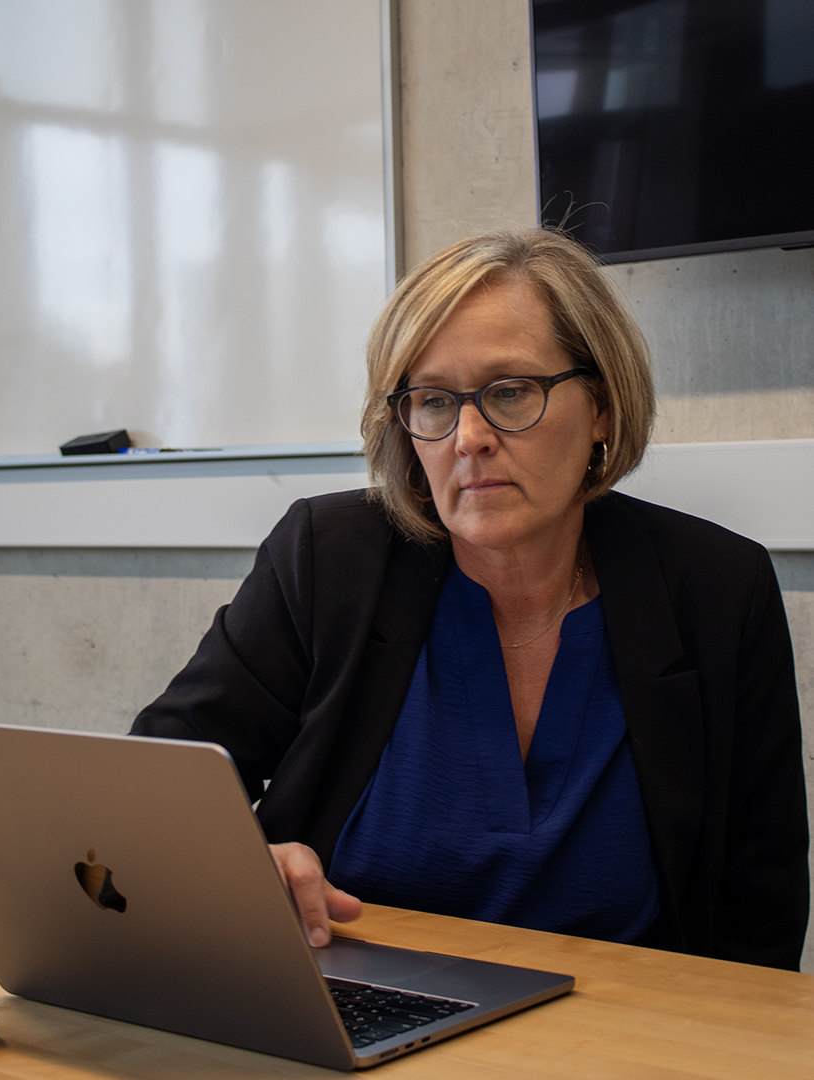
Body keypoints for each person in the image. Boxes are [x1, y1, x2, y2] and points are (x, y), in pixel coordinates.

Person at [132, 229, 809, 970]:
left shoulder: (715, 589)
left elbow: (757, 910)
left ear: (603, 408)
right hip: (352, 1015)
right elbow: (153, 784)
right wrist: (235, 865)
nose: (469, 436)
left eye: (510, 391)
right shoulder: (329, 559)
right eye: (432, 401)